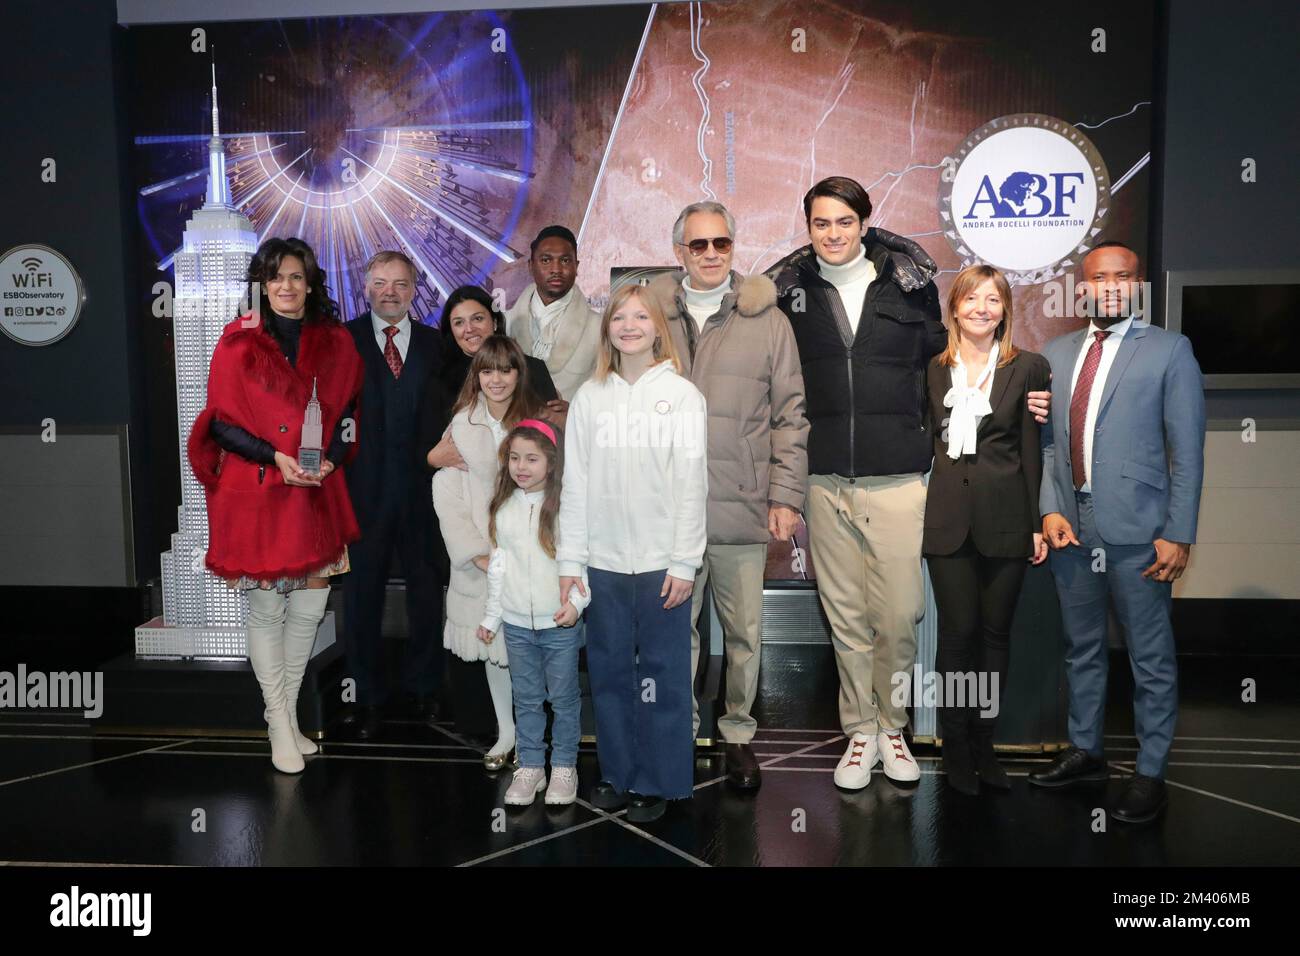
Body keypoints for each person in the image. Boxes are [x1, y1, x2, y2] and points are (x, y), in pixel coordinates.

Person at [767, 176, 946, 790]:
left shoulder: (911, 288)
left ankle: (893, 724)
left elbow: (946, 371)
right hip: (823, 481)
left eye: (844, 221)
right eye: (821, 223)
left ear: (864, 224)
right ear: (809, 228)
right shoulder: (788, 296)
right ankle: (861, 732)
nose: (833, 233)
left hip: (897, 478)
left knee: (897, 616)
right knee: (844, 618)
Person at [1030, 241, 1205, 824]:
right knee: (1082, 651)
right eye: (1098, 277)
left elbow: (1188, 451)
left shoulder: (1169, 351)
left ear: (1138, 284)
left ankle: (1151, 773)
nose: (1108, 286)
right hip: (1072, 532)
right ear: (1081, 286)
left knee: (1150, 658)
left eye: (1122, 276)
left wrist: (1178, 532)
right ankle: (1087, 752)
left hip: (1140, 533)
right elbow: (1049, 444)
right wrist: (1050, 510)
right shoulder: (1054, 354)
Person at [647, 200, 808, 790]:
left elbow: (791, 415)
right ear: (678, 252)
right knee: (673, 634)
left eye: (722, 244)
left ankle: (738, 735)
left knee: (744, 635)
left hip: (741, 503)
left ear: (733, 248)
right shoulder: (649, 316)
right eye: (699, 245)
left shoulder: (767, 319)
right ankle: (680, 732)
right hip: (669, 514)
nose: (712, 254)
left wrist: (785, 496)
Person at [188, 237, 364, 773]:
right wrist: (275, 457)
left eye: (294, 276)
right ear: (261, 286)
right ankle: (278, 723)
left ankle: (284, 717)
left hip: (317, 492)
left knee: (309, 608)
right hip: (262, 491)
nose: (285, 287)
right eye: (275, 278)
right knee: (267, 609)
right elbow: (219, 423)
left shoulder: (336, 342)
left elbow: (351, 413)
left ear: (310, 282)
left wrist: (334, 457)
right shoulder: (237, 343)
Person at [557, 284, 708, 823]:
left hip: (663, 565)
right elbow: (574, 485)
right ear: (608, 330)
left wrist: (685, 561)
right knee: (610, 672)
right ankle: (619, 773)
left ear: (657, 327)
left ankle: (661, 780)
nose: (628, 325)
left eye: (640, 316)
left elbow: (692, 485)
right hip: (603, 564)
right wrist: (571, 564)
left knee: (664, 674)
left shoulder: (684, 397)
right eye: (618, 316)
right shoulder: (589, 399)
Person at [922, 264, 1050, 795]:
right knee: (957, 638)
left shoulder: (1029, 368)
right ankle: (954, 750)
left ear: (1005, 311)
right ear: (954, 308)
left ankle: (984, 746)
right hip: (948, 520)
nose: (981, 307)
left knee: (996, 638)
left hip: (1007, 520)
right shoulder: (933, 369)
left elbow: (1031, 450)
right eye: (971, 298)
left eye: (992, 300)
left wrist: (1037, 523)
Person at [339, 250, 445, 740]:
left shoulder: (435, 345)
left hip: (426, 497)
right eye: (380, 282)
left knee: (427, 594)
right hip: (363, 494)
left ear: (413, 288)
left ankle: (425, 686)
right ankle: (365, 691)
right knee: (362, 596)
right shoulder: (343, 341)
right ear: (365, 287)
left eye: (400, 284)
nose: (390, 292)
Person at [433, 335, 543, 770]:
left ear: (519, 373)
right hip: (482, 563)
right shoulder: (460, 426)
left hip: (533, 558)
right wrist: (477, 553)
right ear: (476, 376)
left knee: (531, 655)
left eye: (505, 369)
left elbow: (557, 491)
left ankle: (536, 742)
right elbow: (445, 491)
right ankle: (506, 734)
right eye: (487, 370)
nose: (496, 379)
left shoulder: (536, 422)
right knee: (494, 651)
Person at [479, 419, 589, 806]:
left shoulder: (565, 510)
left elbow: (581, 567)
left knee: (563, 698)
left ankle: (563, 766)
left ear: (552, 463)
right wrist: (493, 617)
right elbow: (498, 568)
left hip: (557, 624)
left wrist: (574, 606)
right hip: (516, 626)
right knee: (525, 698)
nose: (521, 467)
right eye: (514, 458)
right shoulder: (504, 507)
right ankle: (530, 766)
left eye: (532, 459)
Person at [420, 286, 560, 472]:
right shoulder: (438, 378)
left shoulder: (533, 369)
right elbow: (423, 449)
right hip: (464, 491)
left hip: (526, 488)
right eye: (459, 323)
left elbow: (553, 439)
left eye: (477, 318)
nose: (469, 329)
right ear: (451, 331)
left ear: (494, 321)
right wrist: (432, 459)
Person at [505, 225, 601, 401]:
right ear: (530, 266)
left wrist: (573, 413)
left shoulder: (600, 327)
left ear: (576, 266)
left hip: (572, 427)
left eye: (565, 260)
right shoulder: (506, 323)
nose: (556, 269)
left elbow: (609, 390)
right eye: (546, 260)